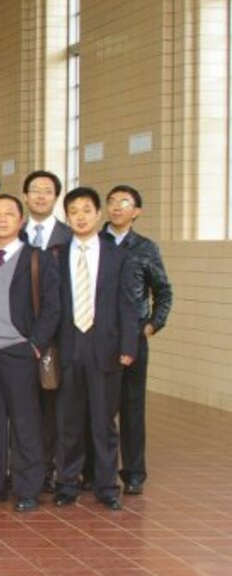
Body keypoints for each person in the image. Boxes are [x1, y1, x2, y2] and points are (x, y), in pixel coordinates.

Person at [0, 194, 61, 513]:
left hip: (19, 352)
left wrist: (34, 344)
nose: (2, 218)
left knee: (25, 424)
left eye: (10, 213)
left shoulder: (38, 258)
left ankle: (27, 488)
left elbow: (52, 307)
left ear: (21, 220)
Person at [53, 187, 139, 511]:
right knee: (68, 421)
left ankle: (106, 486)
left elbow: (129, 305)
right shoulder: (57, 255)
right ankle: (67, 483)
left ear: (98, 215)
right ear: (68, 216)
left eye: (86, 210)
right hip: (69, 346)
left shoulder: (118, 255)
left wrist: (128, 345)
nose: (80, 216)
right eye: (73, 210)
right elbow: (52, 304)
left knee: (104, 421)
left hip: (105, 347)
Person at [100, 185, 172, 496]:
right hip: (98, 337)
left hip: (133, 337)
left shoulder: (145, 247)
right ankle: (95, 470)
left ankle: (132, 472)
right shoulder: (93, 242)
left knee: (131, 408)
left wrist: (152, 325)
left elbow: (164, 292)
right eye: (112, 202)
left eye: (124, 203)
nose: (116, 207)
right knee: (99, 407)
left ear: (136, 211)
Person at [21, 170, 71, 493]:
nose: (40, 196)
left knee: (55, 407)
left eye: (48, 191)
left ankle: (52, 469)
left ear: (56, 197)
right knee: (23, 407)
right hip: (16, 338)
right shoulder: (12, 233)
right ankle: (25, 468)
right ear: (24, 196)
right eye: (34, 190)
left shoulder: (69, 237)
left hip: (58, 338)